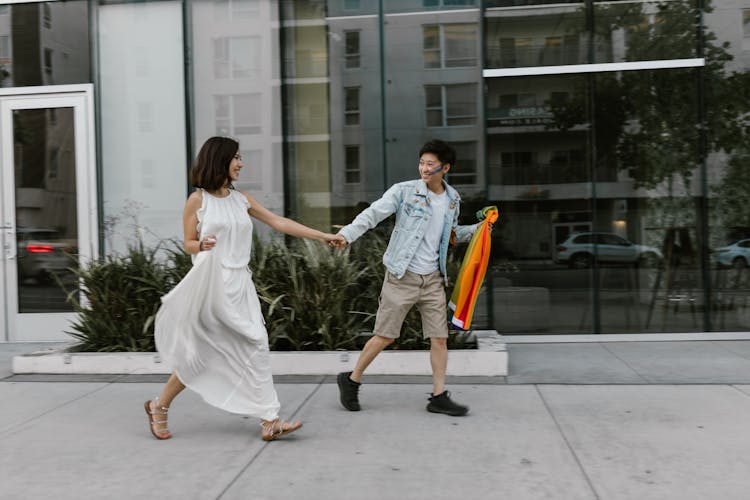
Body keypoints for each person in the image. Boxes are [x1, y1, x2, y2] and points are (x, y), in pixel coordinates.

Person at [145, 136, 339, 441]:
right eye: (236, 157)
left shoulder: (241, 199)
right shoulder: (198, 201)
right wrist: (202, 244)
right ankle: (159, 406)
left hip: (240, 284)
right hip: (212, 286)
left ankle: (269, 420)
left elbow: (279, 222)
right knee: (202, 355)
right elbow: (187, 244)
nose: (241, 163)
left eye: (240, 157)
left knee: (257, 345)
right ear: (219, 159)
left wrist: (321, 236)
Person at [332, 139, 478, 416]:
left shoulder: (452, 199)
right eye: (422, 162)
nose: (424, 168)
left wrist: (479, 230)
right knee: (385, 335)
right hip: (403, 276)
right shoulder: (405, 192)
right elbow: (373, 214)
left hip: (434, 278)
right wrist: (346, 235)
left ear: (445, 168)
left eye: (431, 165)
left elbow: (451, 235)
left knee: (439, 338)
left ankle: (438, 396)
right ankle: (351, 380)